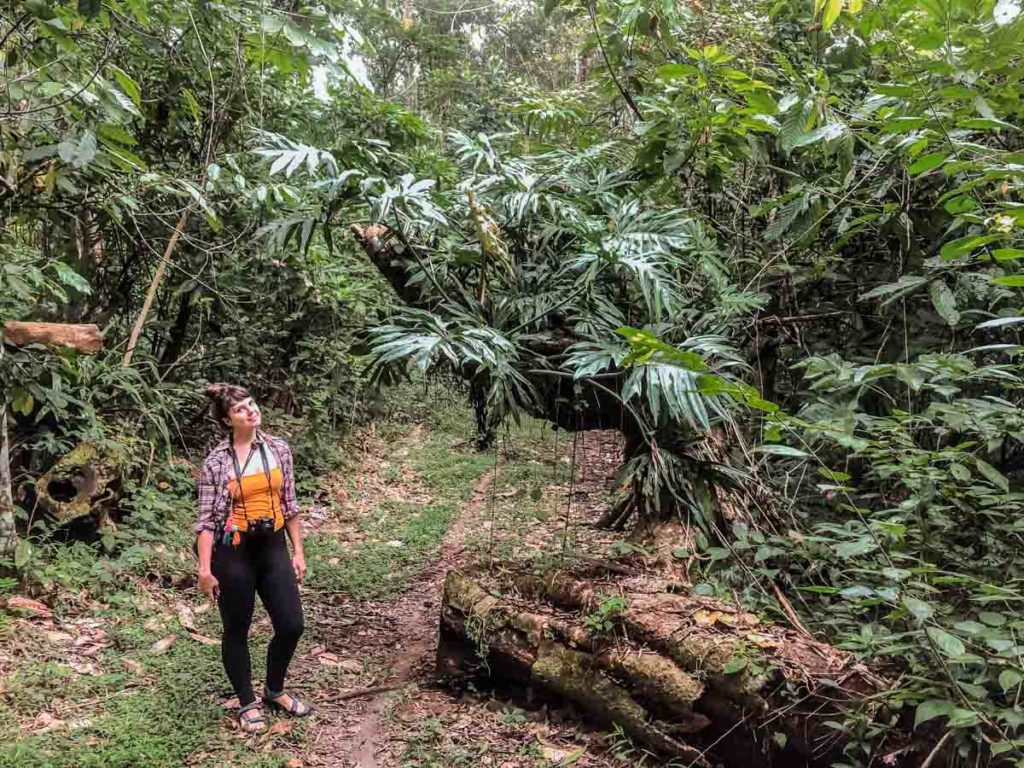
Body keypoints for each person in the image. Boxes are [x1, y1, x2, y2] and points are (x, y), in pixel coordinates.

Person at [195, 383, 313, 733]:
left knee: (292, 624)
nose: (250, 411)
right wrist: (204, 570)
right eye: (240, 409)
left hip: (272, 545)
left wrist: (299, 552)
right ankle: (247, 701)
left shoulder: (278, 448)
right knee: (236, 628)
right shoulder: (217, 462)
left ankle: (274, 689)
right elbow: (204, 521)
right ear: (227, 420)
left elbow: (290, 506)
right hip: (233, 551)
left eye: (251, 404)